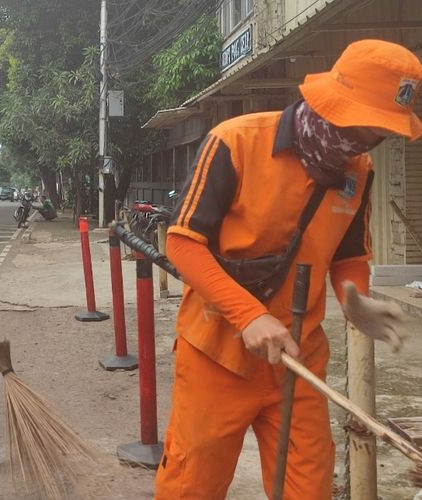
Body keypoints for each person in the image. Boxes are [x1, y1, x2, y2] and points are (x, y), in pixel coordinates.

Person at [155, 39, 415, 499]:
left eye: (383, 130)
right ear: (337, 103)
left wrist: (355, 300)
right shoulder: (235, 141)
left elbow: (349, 254)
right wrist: (249, 315)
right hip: (217, 356)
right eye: (370, 125)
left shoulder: (360, 170)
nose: (374, 138)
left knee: (310, 488)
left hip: (298, 360)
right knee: (191, 485)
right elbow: (183, 244)